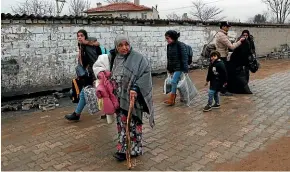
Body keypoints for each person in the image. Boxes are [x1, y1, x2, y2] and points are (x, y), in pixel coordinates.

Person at [93, 35, 154, 161]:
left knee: (133, 123)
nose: (124, 48)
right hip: (118, 98)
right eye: (120, 45)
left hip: (133, 97)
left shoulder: (138, 58)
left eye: (126, 44)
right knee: (122, 124)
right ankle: (123, 150)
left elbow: (146, 73)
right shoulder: (113, 57)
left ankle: (135, 149)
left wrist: (136, 88)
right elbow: (100, 68)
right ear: (116, 46)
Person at [65, 29, 107, 121]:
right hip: (91, 73)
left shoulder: (88, 46)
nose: (79, 37)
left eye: (81, 35)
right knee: (86, 92)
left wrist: (95, 75)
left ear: (85, 37)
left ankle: (77, 114)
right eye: (78, 36)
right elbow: (82, 62)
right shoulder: (82, 46)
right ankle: (77, 114)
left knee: (91, 92)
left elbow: (94, 61)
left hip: (96, 73)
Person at [215, 21, 245, 96]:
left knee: (221, 73)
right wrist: (240, 41)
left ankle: (220, 89)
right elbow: (231, 47)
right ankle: (223, 91)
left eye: (228, 26)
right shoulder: (222, 35)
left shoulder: (221, 34)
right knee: (224, 74)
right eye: (227, 26)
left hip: (221, 55)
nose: (228, 28)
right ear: (222, 27)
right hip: (221, 57)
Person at [164, 30, 188, 106]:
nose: (167, 40)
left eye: (168, 38)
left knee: (174, 82)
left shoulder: (180, 45)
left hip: (179, 67)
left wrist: (185, 69)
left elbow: (184, 57)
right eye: (166, 38)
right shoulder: (168, 46)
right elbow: (169, 58)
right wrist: (169, 68)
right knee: (178, 83)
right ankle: (183, 97)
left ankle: (172, 99)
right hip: (173, 67)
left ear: (173, 38)